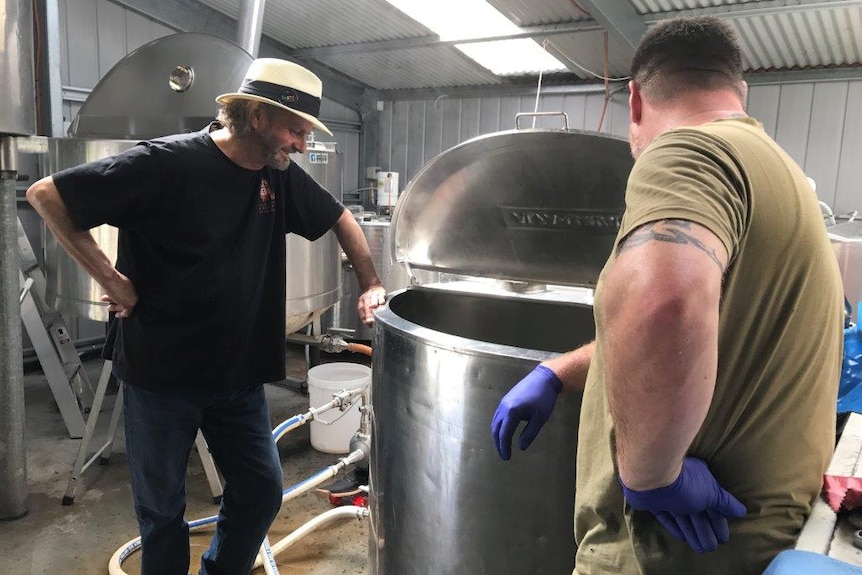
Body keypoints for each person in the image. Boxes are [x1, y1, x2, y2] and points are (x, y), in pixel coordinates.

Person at [491, 16, 844, 575]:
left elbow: (665, 302)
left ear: (634, 100)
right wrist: (558, 371)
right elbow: (713, 328)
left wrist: (653, 477)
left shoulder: (688, 153)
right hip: (752, 545)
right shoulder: (783, 176)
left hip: (666, 553)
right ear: (740, 91)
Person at [26, 58, 387, 575]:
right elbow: (47, 195)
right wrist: (112, 280)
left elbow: (341, 217)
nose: (303, 145)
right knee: (161, 513)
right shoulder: (164, 164)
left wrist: (372, 282)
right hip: (162, 376)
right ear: (257, 117)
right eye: (295, 130)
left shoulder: (277, 176)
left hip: (238, 377)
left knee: (262, 493)